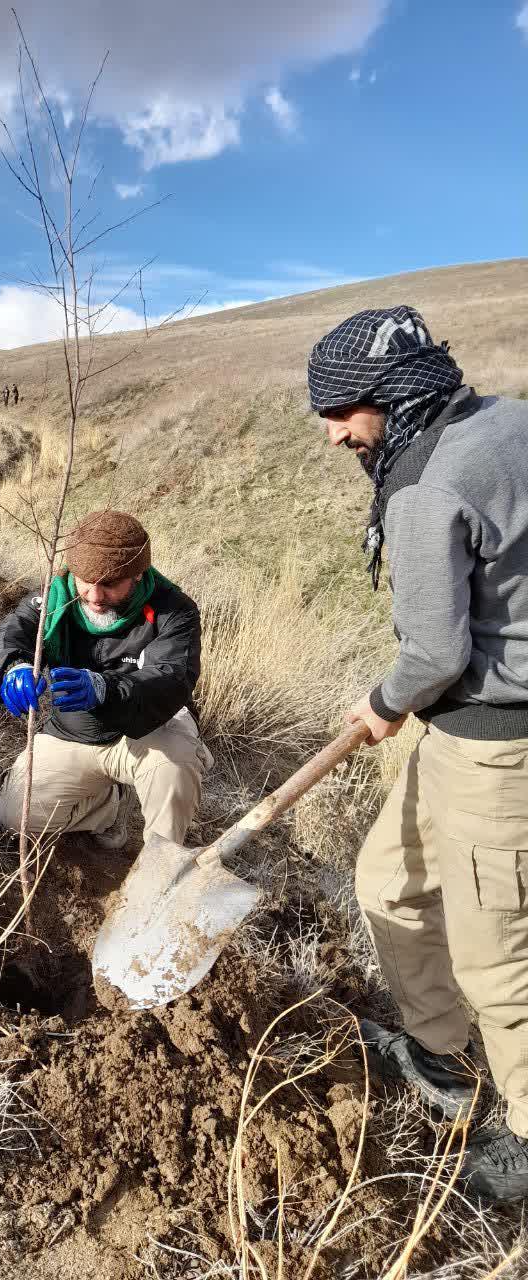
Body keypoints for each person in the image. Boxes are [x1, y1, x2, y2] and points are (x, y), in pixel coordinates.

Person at [308, 305, 528, 1202]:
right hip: (461, 735)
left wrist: (384, 700)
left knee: (501, 960)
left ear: (391, 397)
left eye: (342, 412)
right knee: (387, 883)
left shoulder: (426, 486)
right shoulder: (506, 415)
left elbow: (434, 656)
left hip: (495, 746)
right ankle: (439, 1048)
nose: (332, 435)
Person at [0, 509, 212, 850]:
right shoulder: (53, 599)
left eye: (109, 584)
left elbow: (171, 677)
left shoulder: (174, 610)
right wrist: (12, 667)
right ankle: (109, 805)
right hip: (75, 731)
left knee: (174, 765)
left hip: (149, 725)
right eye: (85, 581)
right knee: (16, 817)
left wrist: (105, 688)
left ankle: (159, 870)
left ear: (137, 575)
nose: (93, 597)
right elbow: (13, 633)